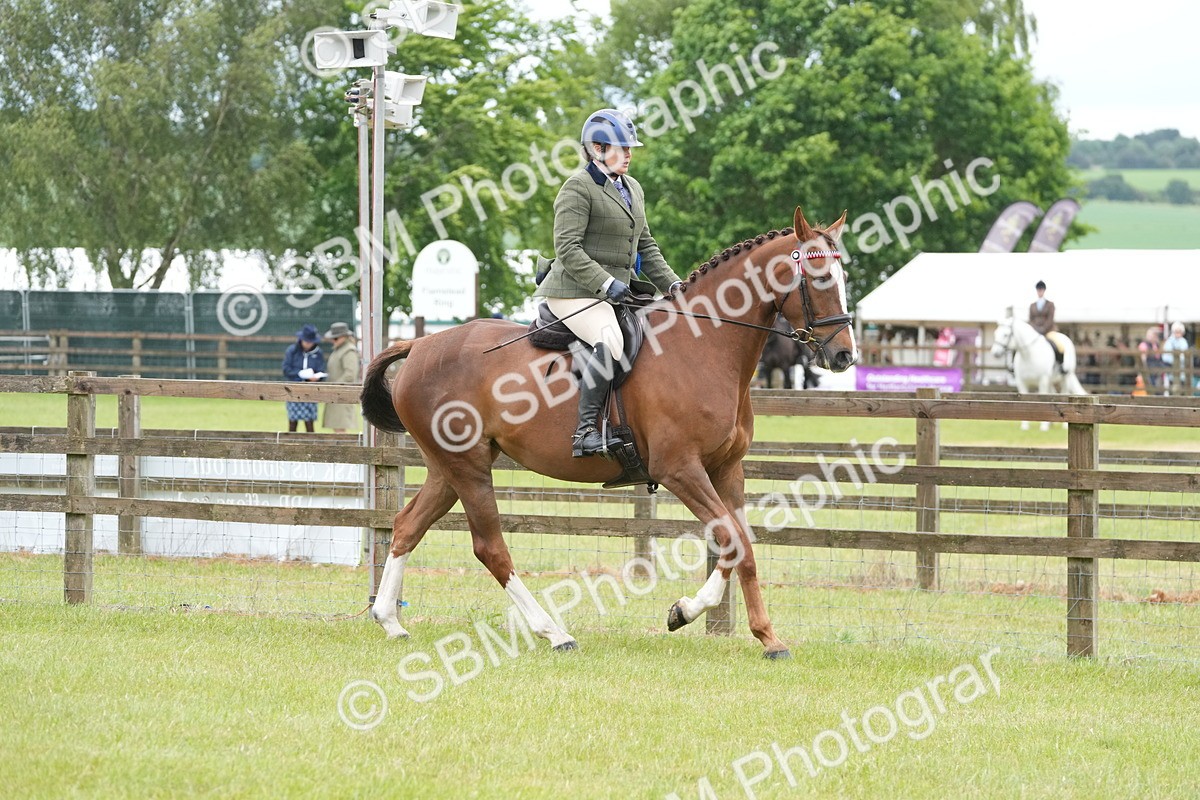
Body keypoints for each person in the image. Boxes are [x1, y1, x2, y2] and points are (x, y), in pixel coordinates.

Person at [533, 108, 682, 457]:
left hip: (615, 292)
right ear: (597, 149)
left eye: (631, 149)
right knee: (610, 339)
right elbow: (567, 249)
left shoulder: (633, 188)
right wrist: (605, 284)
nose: (629, 155)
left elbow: (646, 245)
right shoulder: (578, 188)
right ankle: (584, 433)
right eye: (622, 148)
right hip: (573, 291)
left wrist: (675, 285)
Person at [282, 323, 326, 432]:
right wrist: (300, 374)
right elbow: (286, 369)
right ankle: (290, 444)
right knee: (292, 421)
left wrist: (317, 377)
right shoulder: (292, 351)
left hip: (310, 390)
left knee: (309, 422)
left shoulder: (318, 353)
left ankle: (311, 445)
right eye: (307, 341)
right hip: (294, 389)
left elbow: (321, 370)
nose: (308, 344)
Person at [322, 321, 361, 432]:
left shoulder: (349, 351)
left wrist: (335, 387)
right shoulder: (339, 350)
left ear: (344, 337)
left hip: (342, 394)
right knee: (337, 428)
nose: (333, 341)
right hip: (336, 394)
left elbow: (350, 375)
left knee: (341, 429)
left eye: (336, 338)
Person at [1161, 322, 1189, 395]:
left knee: (1182, 390)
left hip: (1182, 372)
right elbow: (1165, 357)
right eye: (1176, 331)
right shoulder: (1169, 341)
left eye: (1180, 331)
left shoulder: (1184, 341)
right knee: (1171, 390)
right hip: (1171, 371)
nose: (1178, 333)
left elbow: (1185, 355)